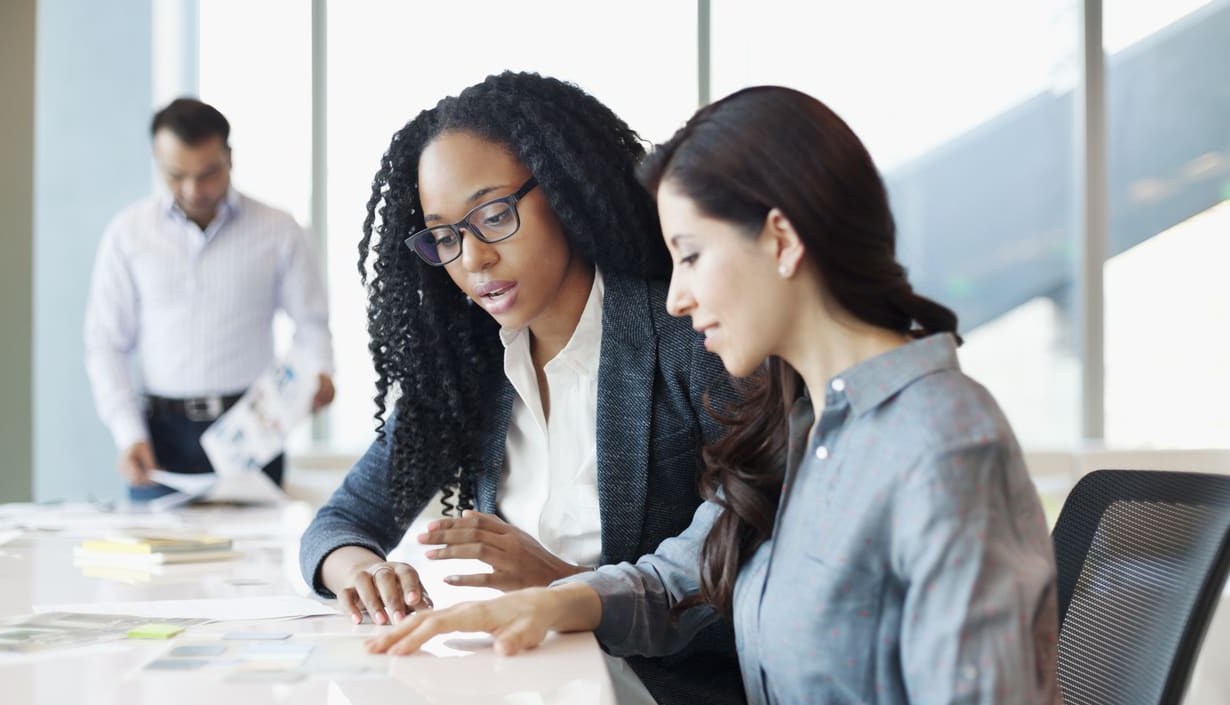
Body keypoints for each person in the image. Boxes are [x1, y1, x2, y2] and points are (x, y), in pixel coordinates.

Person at [365, 86, 1063, 705]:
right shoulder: (806, 424)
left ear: (781, 240)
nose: (677, 295)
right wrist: (550, 602)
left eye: (691, 254)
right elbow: (679, 579)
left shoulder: (939, 441)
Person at [299, 72, 745, 705]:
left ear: (563, 190)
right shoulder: (469, 371)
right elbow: (340, 523)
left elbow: (742, 552)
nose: (473, 258)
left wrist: (563, 586)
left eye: (494, 215)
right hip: (526, 682)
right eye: (445, 235)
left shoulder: (690, 336)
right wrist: (365, 572)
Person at [85, 98, 335, 501]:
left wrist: (319, 370)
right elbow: (106, 344)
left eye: (208, 174)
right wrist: (127, 433)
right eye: (176, 175)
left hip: (252, 429)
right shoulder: (128, 234)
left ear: (229, 158)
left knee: (259, 561)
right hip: (160, 437)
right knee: (158, 562)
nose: (193, 190)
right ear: (157, 161)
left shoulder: (279, 230)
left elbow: (310, 321)